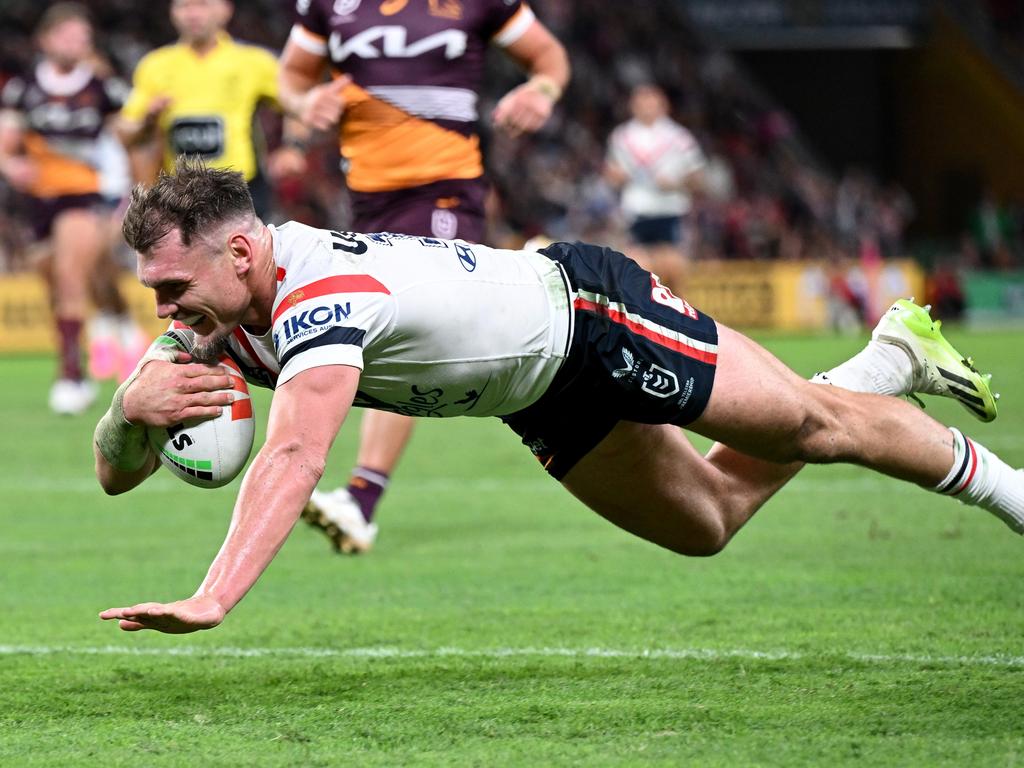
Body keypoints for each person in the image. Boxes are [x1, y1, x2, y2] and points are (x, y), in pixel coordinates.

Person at [96, 160, 1021, 635]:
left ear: (243, 253)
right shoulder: (211, 319)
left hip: (590, 315)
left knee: (815, 430)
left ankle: (1008, 493)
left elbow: (297, 455)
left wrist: (214, 598)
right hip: (536, 394)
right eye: (155, 294)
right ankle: (885, 362)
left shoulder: (319, 292)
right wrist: (124, 415)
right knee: (704, 522)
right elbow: (115, 476)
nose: (165, 311)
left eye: (173, 290)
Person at [275, 0, 570, 554]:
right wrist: (304, 100)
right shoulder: (330, 6)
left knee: (404, 328)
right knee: (399, 338)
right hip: (366, 197)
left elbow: (549, 56)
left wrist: (542, 91)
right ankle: (551, 294)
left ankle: (361, 497)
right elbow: (291, 76)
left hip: (445, 186)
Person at [0, 2, 143, 414]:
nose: (76, 43)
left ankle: (71, 375)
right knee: (60, 279)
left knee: (70, 274)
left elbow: (129, 141)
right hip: (40, 199)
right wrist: (13, 166)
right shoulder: (24, 89)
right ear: (46, 40)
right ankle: (118, 324)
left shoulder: (104, 89)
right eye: (67, 35)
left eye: (82, 37)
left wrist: (134, 192)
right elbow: (9, 147)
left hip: (92, 192)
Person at [116, 0, 305, 218]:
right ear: (172, 13)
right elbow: (125, 130)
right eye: (184, 6)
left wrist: (293, 147)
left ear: (225, 10)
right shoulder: (155, 65)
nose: (193, 14)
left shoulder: (254, 62)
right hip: (181, 192)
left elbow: (297, 104)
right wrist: (147, 118)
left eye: (202, 5)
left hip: (242, 189)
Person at [605, 83, 706, 291]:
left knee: (672, 268)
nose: (646, 107)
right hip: (637, 210)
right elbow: (610, 174)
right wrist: (618, 177)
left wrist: (676, 183)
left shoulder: (679, 137)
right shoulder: (622, 136)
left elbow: (698, 177)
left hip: (670, 209)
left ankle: (680, 318)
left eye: (651, 101)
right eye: (641, 101)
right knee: (637, 267)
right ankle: (644, 318)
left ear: (663, 105)